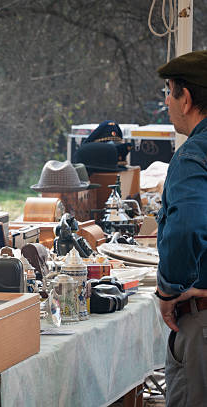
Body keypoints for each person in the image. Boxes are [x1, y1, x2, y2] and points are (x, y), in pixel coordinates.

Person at [155, 50, 207, 407]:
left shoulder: (193, 154)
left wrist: (169, 290)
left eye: (167, 92)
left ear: (185, 97)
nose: (167, 103)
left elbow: (187, 226)